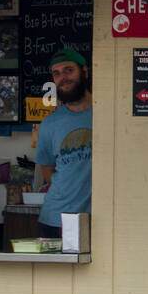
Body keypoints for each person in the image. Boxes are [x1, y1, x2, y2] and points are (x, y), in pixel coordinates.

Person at [34, 48, 92, 239]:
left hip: (101, 217)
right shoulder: (50, 123)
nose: (62, 78)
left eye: (69, 70)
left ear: (84, 71)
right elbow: (47, 169)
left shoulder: (106, 114)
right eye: (56, 73)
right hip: (56, 218)